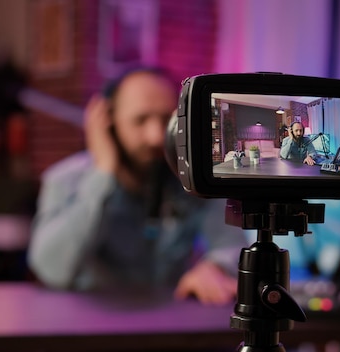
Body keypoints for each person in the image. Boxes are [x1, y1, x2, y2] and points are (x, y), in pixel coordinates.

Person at [28, 67, 248, 305]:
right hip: (93, 331)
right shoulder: (65, 179)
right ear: (108, 123)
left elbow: (233, 247)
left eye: (165, 120)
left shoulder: (192, 180)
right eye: (140, 120)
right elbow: (50, 269)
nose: (155, 136)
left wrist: (215, 267)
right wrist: (103, 174)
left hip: (170, 327)